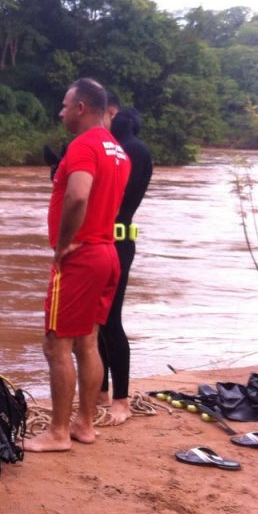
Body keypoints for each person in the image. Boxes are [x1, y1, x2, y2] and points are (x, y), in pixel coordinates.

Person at [25, 78, 131, 453]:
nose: (61, 112)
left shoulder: (83, 146)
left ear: (81, 108)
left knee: (56, 345)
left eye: (65, 105)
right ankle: (84, 424)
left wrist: (64, 244)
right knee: (87, 342)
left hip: (81, 257)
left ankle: (57, 433)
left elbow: (78, 195)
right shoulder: (118, 150)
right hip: (108, 253)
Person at [97, 107, 153, 423]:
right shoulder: (131, 149)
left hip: (115, 242)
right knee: (99, 323)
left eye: (113, 115)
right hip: (116, 241)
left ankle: (120, 401)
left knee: (110, 322)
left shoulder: (127, 150)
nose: (109, 119)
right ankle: (103, 393)